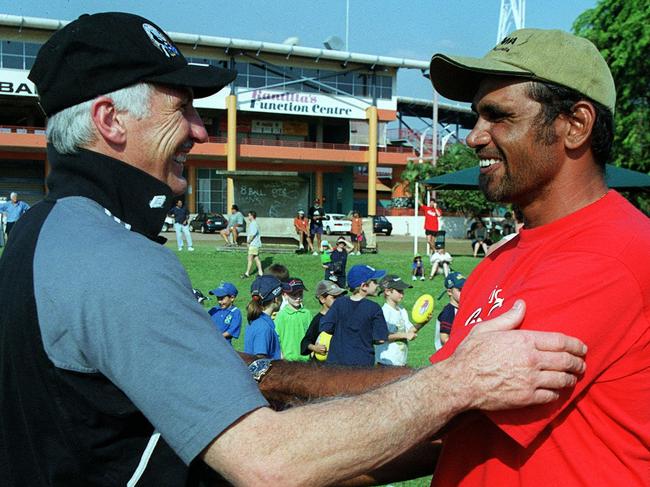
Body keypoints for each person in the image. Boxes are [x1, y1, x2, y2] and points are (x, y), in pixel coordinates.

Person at [0, 14, 590, 485]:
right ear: (110, 120)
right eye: (182, 108)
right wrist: (458, 385)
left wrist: (268, 375)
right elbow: (269, 466)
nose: (201, 130)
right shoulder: (115, 257)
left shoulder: (44, 233)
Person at [427, 28, 650, 485]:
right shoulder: (503, 255)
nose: (474, 137)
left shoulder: (613, 254)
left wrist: (270, 378)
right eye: (476, 117)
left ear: (575, 125)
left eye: (498, 116)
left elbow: (436, 405)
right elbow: (437, 418)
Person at [319, 264, 389, 366]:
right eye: (374, 282)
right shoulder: (374, 308)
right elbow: (381, 339)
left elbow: (325, 326)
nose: (377, 285)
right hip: (362, 365)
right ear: (364, 286)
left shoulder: (339, 303)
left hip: (336, 364)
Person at [375, 274, 418, 366]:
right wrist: (405, 335)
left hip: (401, 363)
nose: (402, 294)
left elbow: (410, 330)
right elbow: (382, 336)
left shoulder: (402, 310)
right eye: (399, 291)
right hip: (387, 363)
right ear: (387, 292)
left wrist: (424, 321)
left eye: (402, 291)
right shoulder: (385, 312)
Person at [300, 279, 347, 360]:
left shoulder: (343, 317)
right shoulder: (318, 320)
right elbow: (305, 342)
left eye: (340, 296)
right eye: (334, 297)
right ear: (322, 299)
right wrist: (315, 348)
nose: (339, 300)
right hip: (321, 367)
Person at [243, 275, 283, 360]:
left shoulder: (256, 321)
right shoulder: (263, 328)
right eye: (281, 294)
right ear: (276, 299)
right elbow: (260, 361)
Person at [274, 278, 311, 362]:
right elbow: (277, 337)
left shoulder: (307, 313)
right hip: (288, 360)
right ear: (285, 295)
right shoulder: (281, 315)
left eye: (300, 294)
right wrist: (281, 354)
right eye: (294, 295)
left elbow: (311, 335)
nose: (298, 298)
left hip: (305, 359)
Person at [436, 271, 465, 345]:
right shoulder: (449, 312)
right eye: (460, 290)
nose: (464, 291)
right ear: (449, 292)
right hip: (448, 355)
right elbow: (444, 339)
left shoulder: (463, 309)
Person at [240, 210, 263, 278]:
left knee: (250, 259)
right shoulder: (254, 223)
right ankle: (260, 272)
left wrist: (248, 242)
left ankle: (247, 273)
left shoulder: (253, 224)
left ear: (252, 216)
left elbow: (252, 235)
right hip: (255, 244)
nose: (248, 216)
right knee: (256, 258)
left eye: (249, 215)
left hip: (253, 244)